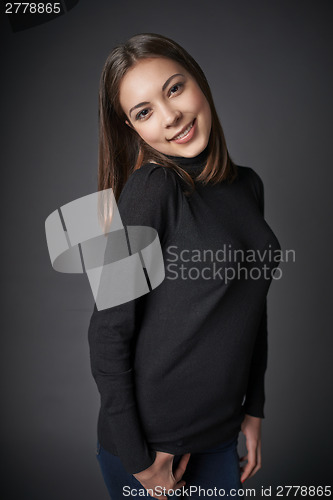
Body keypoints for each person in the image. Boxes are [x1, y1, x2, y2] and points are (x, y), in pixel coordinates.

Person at [88, 32, 281, 499]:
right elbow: (108, 330)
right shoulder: (153, 189)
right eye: (144, 111)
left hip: (220, 431)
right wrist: (138, 461)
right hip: (157, 449)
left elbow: (251, 307)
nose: (170, 116)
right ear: (132, 129)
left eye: (174, 88)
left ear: (199, 82)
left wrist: (252, 409)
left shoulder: (248, 186)